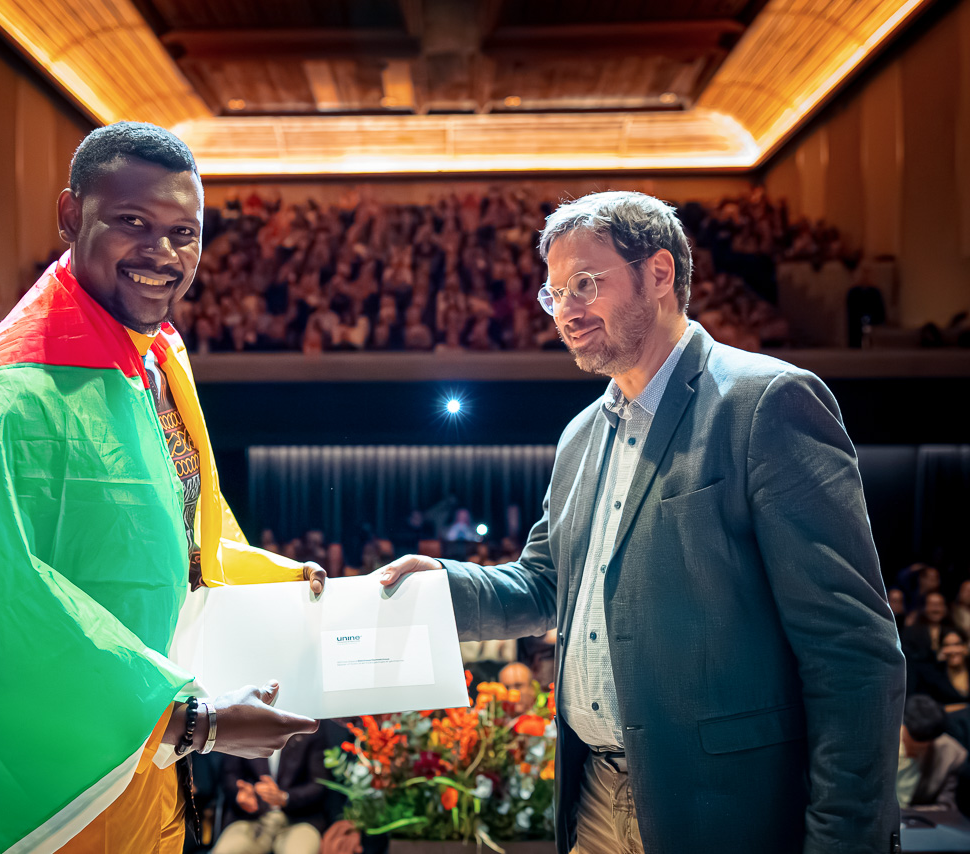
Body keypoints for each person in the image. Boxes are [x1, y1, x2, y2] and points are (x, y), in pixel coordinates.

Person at [0, 122, 323, 854]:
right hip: (47, 789)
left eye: (184, 232)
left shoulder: (157, 356)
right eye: (132, 222)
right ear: (69, 215)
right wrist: (197, 724)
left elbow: (182, 535)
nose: (163, 253)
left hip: (150, 758)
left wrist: (302, 584)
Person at [376, 191, 905, 854]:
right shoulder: (578, 437)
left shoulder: (766, 403)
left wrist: (844, 842)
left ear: (658, 273)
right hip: (594, 799)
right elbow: (545, 583)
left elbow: (852, 653)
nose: (566, 310)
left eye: (584, 284)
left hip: (727, 808)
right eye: (554, 293)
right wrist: (442, 583)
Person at [215, 730, 332, 854]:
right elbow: (230, 775)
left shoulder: (309, 730)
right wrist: (241, 795)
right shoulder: (244, 729)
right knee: (226, 850)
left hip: (299, 820)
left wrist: (285, 797)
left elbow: (319, 784)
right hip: (251, 819)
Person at [898, 695, 966, 809]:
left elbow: (946, 805)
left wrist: (908, 813)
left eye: (924, 745)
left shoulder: (953, 754)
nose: (918, 748)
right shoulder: (879, 743)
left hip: (915, 817)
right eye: (912, 742)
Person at [909, 628, 970, 706]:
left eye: (957, 644)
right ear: (940, 649)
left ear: (965, 646)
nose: (952, 650)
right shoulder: (932, 675)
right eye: (946, 645)